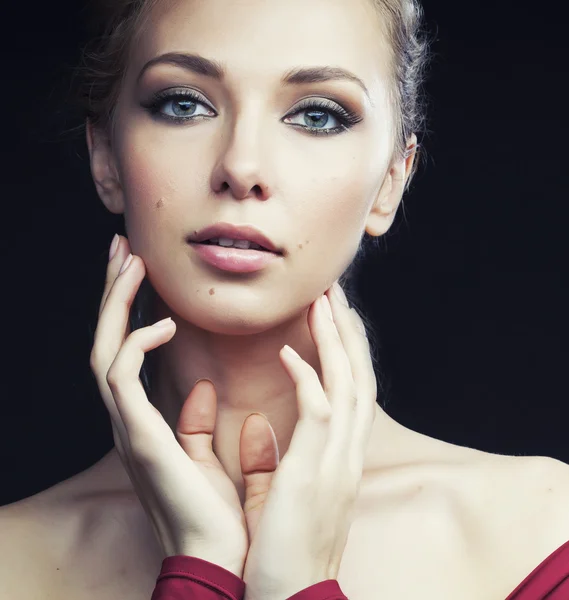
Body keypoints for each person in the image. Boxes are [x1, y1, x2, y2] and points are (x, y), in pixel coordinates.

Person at [1, 0, 569, 598]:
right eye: (183, 104)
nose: (240, 168)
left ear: (392, 180)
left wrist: (296, 584)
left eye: (318, 116)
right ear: (106, 155)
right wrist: (202, 567)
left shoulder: (542, 537)